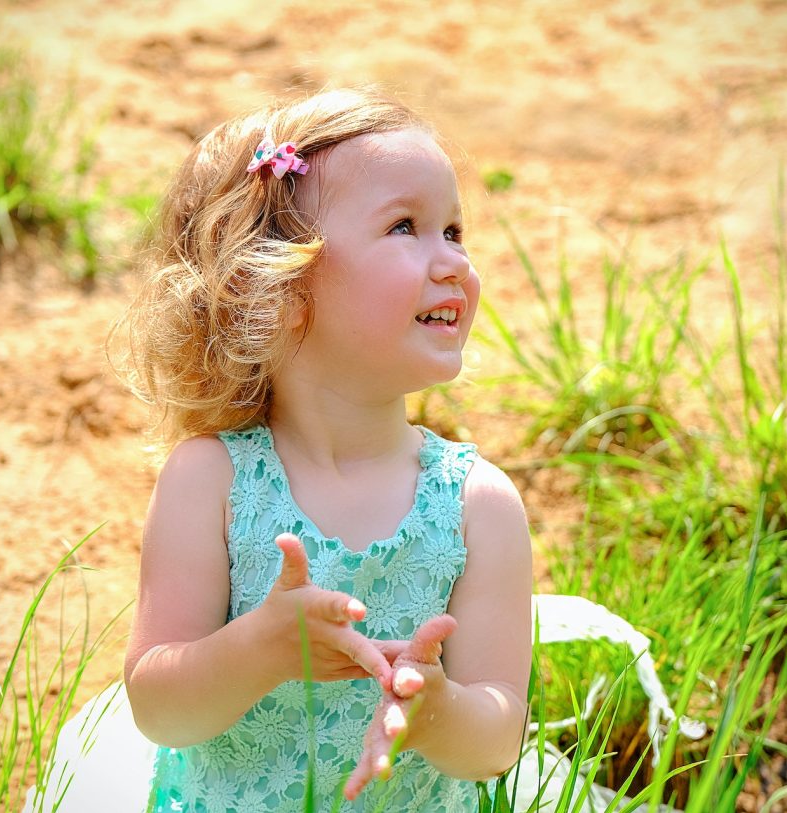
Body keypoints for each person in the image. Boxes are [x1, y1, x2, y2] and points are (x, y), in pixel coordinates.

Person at [110, 86, 533, 812]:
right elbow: (159, 706)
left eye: (455, 231)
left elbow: (496, 742)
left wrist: (435, 711)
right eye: (407, 226)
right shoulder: (210, 481)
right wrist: (261, 647)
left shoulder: (478, 506)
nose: (454, 262)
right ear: (280, 284)